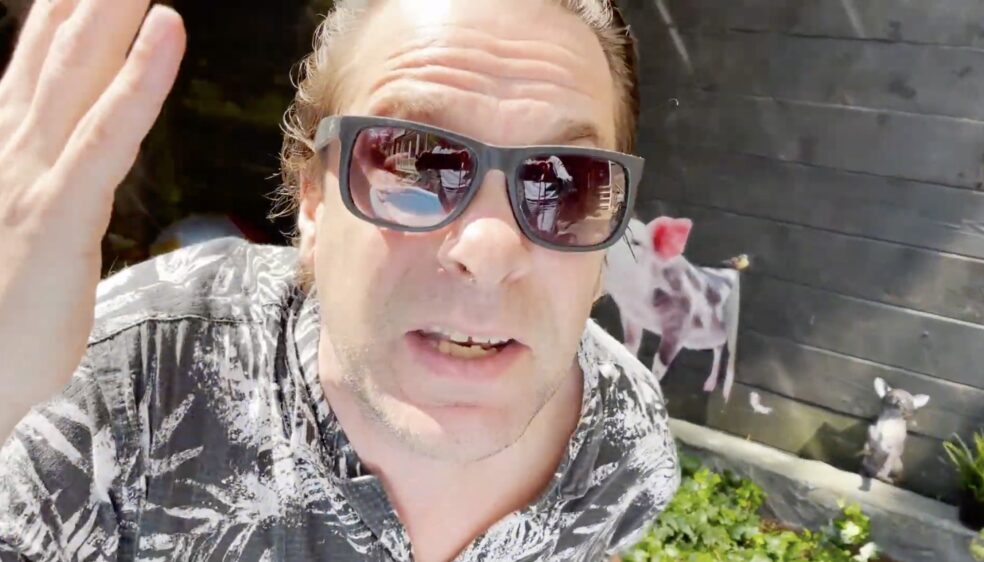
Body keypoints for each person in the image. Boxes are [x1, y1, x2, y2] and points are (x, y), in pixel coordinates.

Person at [0, 0, 680, 560]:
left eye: (566, 183)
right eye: (413, 164)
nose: (491, 249)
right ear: (312, 199)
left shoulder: (625, 444)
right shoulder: (117, 391)